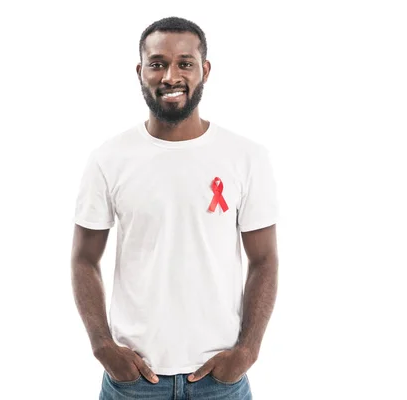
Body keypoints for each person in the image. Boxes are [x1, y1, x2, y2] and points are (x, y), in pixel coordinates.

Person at [71, 16, 279, 400]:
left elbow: (264, 259)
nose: (171, 76)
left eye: (185, 63)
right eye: (157, 63)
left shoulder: (246, 157)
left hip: (220, 379)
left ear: (205, 70)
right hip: (133, 379)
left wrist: (248, 350)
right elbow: (84, 258)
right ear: (140, 71)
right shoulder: (108, 159)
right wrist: (102, 344)